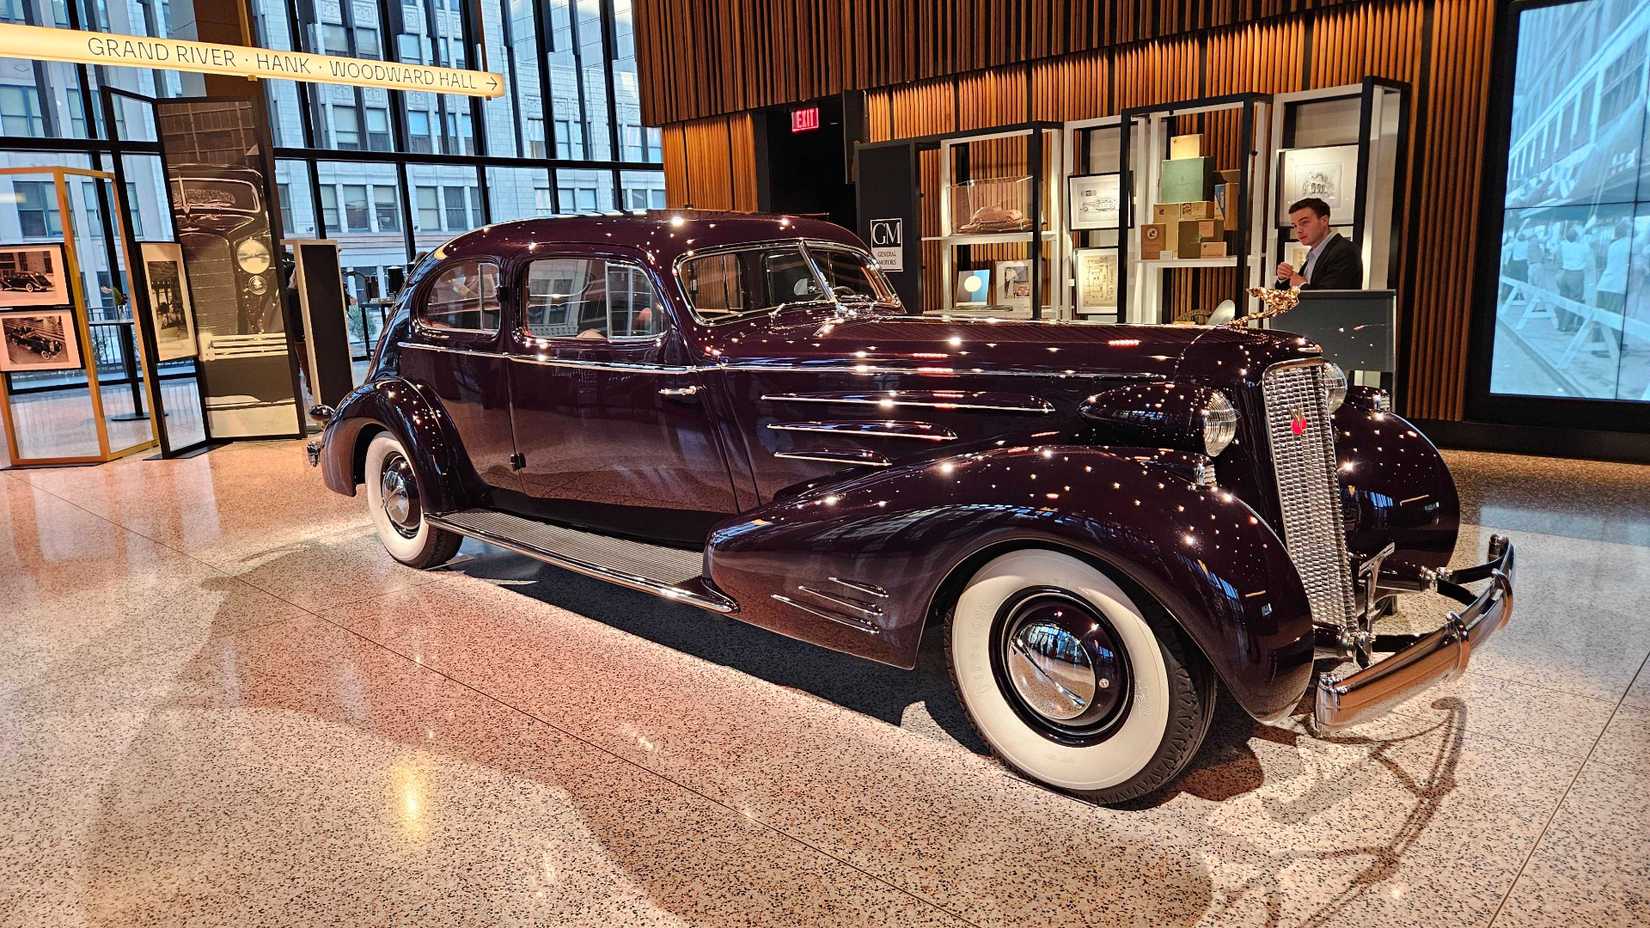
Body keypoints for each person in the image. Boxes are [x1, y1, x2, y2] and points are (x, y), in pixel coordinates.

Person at [1274, 197, 1363, 290]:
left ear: (1324, 221)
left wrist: (1301, 285)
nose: (1298, 230)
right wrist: (1283, 278)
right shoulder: (1314, 254)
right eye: (1295, 225)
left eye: (1304, 222)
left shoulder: (1345, 250)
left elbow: (1331, 298)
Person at [1557, 224, 1591, 333]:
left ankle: (1560, 324)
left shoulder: (1563, 245)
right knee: (1574, 301)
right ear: (1576, 237)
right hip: (1576, 275)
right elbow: (1588, 252)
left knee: (1563, 300)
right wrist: (1583, 235)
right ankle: (1566, 326)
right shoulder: (1582, 246)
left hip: (1565, 274)